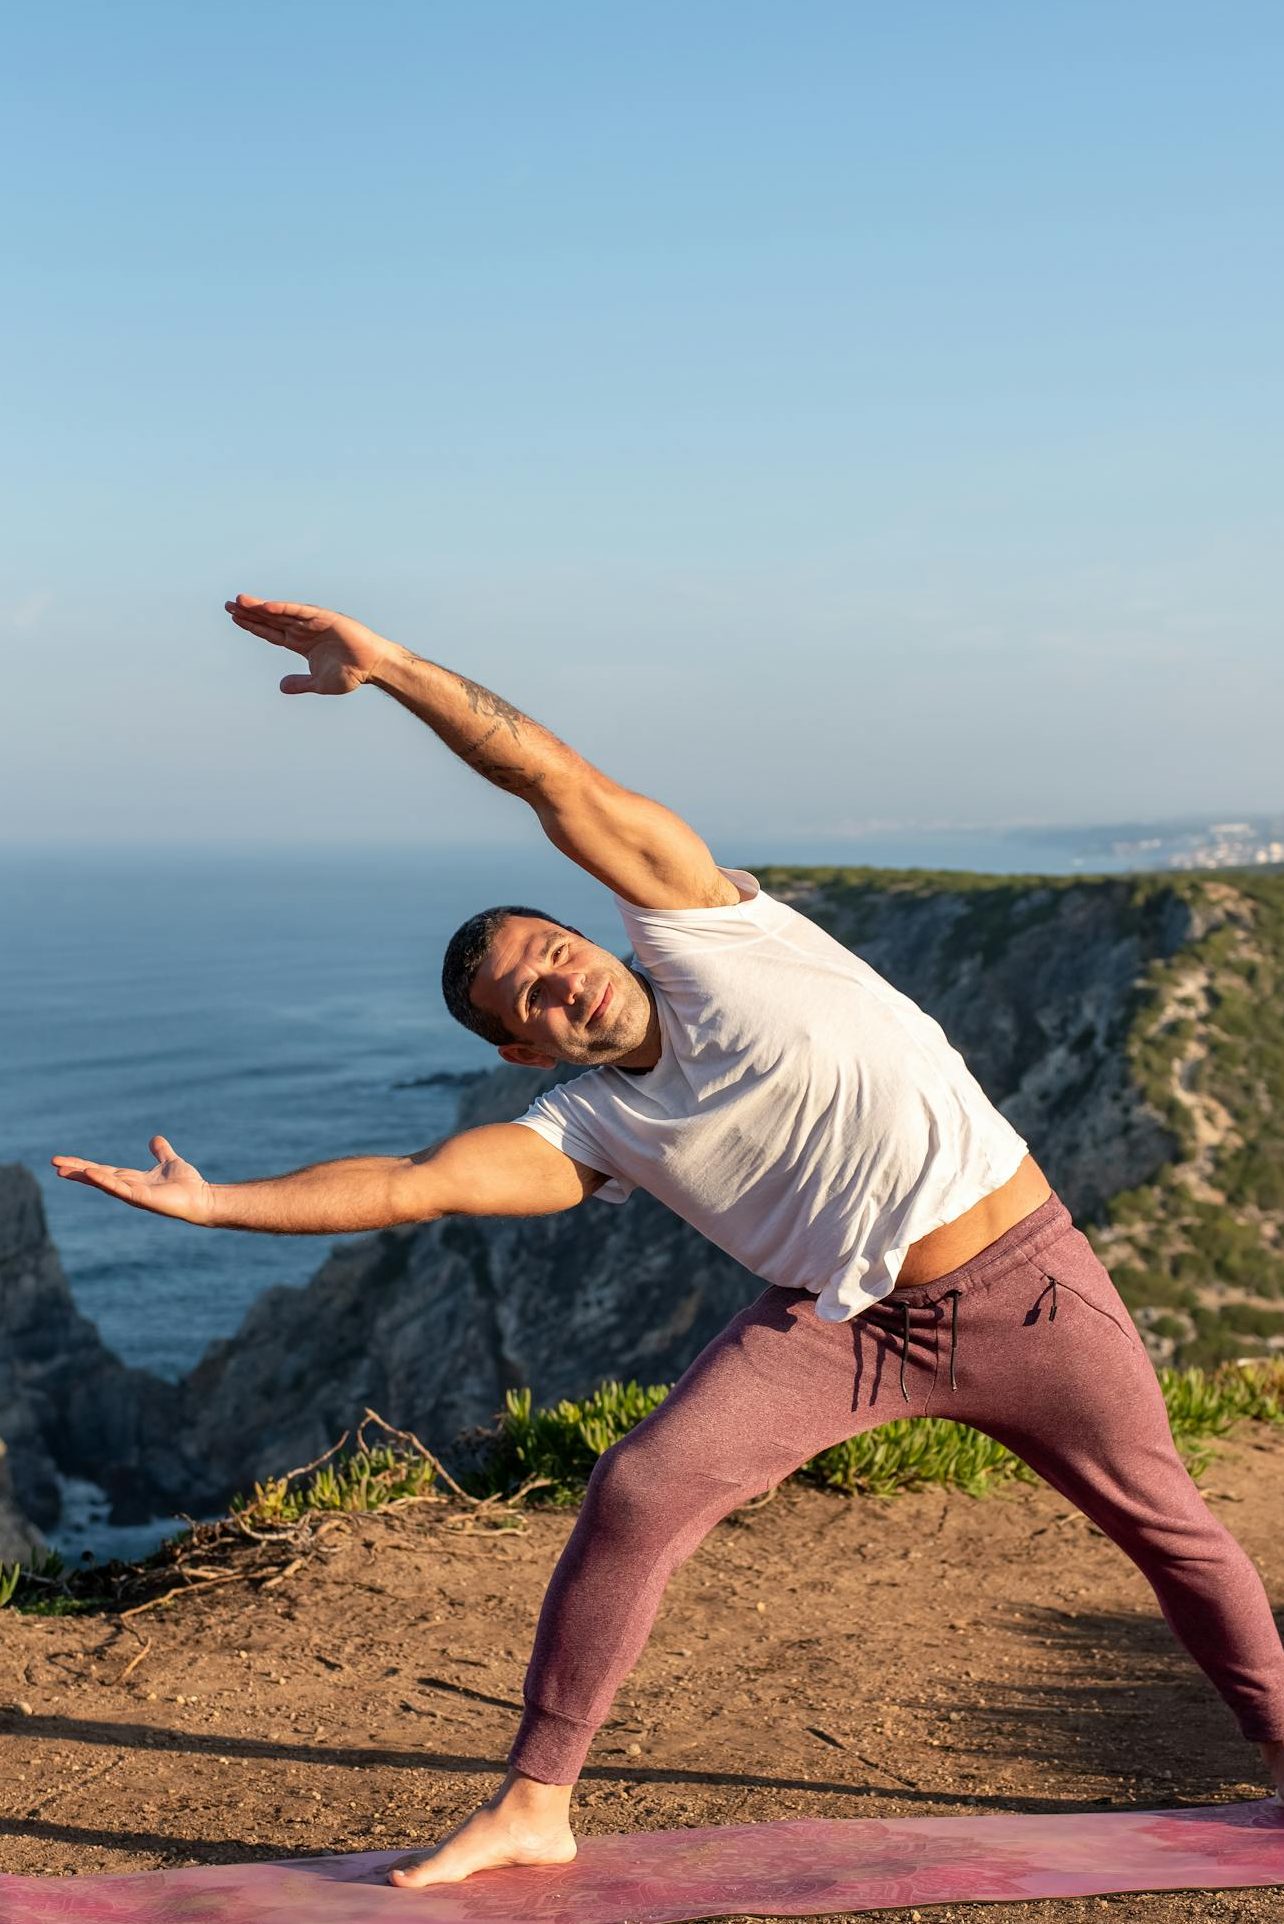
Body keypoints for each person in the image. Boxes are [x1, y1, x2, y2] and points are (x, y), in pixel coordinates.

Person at [54, 596, 1284, 1887]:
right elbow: (414, 1184)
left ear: (591, 934)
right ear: (523, 1049)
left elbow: (546, 776)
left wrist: (398, 669)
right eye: (525, 995)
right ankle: (537, 1801)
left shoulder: (706, 927)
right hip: (841, 1328)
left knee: (1172, 1532)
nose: (557, 975)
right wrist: (217, 1203)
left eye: (553, 947)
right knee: (638, 1490)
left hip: (1023, 1287)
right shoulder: (592, 1127)